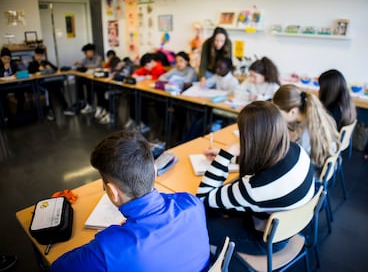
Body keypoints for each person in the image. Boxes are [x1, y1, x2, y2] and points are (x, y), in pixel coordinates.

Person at [50, 130, 210, 271]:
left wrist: (105, 244)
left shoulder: (107, 251)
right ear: (154, 171)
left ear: (113, 192)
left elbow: (58, 268)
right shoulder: (193, 203)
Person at [196, 101, 314, 259]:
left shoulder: (255, 188)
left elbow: (203, 197)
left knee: (198, 226)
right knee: (221, 206)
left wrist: (226, 154)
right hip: (289, 226)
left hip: (265, 240)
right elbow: (264, 161)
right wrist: (228, 159)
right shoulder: (296, 150)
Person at [272, 84, 340, 168]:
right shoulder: (314, 115)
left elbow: (298, 162)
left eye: (278, 112)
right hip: (323, 161)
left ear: (292, 112)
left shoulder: (305, 134)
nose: (276, 115)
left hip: (313, 170)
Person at [28, 47, 74, 120]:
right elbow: (30, 72)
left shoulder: (45, 62)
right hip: (40, 83)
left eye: (41, 56)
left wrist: (50, 68)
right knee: (48, 90)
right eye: (38, 55)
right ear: (35, 55)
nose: (39, 57)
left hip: (50, 82)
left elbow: (56, 69)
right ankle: (50, 110)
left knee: (57, 88)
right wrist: (37, 70)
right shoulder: (32, 64)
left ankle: (65, 107)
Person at [124, 53, 166, 130]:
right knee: (133, 96)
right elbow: (137, 73)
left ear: (152, 62)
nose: (145, 68)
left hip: (158, 95)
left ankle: (144, 123)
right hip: (147, 91)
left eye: (146, 65)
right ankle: (134, 119)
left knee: (140, 99)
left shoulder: (160, 68)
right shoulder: (147, 67)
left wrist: (152, 77)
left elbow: (160, 80)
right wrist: (136, 75)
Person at [74, 43, 103, 114]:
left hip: (98, 79)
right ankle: (82, 100)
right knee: (78, 81)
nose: (85, 55)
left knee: (90, 87)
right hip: (89, 77)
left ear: (91, 51)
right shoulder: (86, 58)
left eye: (86, 53)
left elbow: (96, 65)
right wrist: (78, 64)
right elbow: (81, 64)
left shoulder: (98, 57)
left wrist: (85, 66)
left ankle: (92, 105)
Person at [0, 47, 25, 122]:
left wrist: (18, 74)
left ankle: (19, 114)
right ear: (1, 58)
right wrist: (4, 69)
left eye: (8, 58)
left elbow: (19, 72)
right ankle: (7, 116)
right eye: (5, 58)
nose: (7, 60)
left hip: (13, 85)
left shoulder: (13, 64)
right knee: (2, 97)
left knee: (21, 93)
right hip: (2, 87)